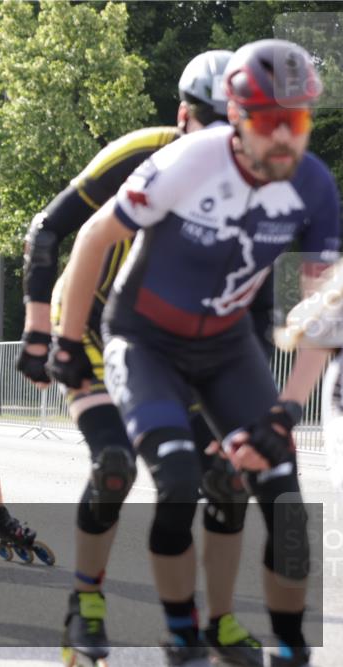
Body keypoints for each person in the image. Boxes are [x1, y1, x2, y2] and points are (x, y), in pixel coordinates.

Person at [49, 40, 338, 667]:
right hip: (145, 340)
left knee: (285, 504)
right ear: (236, 117)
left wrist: (286, 411)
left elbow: (322, 317)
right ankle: (181, 634)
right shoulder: (190, 160)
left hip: (228, 346)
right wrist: (68, 343)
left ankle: (291, 648)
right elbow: (95, 236)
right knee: (178, 481)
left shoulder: (314, 186)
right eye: (270, 122)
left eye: (300, 122)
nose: (287, 139)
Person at [19, 51, 268, 666]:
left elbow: (254, 299)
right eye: (208, 123)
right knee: (113, 464)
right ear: (183, 115)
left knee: (223, 477)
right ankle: (86, 603)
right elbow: (50, 231)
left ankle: (215, 622)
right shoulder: (139, 157)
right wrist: (40, 334)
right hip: (99, 335)